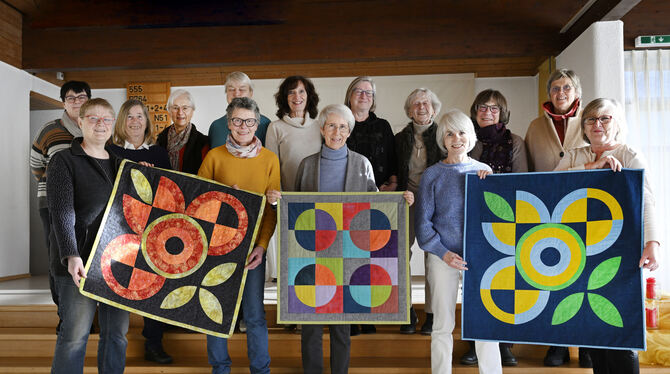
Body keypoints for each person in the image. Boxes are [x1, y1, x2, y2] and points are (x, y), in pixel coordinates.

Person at [267, 104, 413, 374]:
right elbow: (294, 208)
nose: (337, 131)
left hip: (349, 251)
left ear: (349, 131)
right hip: (311, 252)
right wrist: (278, 203)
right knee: (309, 322)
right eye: (331, 126)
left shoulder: (362, 164)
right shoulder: (307, 164)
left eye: (343, 126)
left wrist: (399, 202)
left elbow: (374, 209)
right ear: (322, 129)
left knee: (341, 325)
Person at [554, 98, 659, 374]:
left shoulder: (630, 154)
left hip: (621, 251)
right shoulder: (574, 155)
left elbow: (646, 199)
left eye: (605, 118)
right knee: (596, 325)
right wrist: (593, 167)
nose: (597, 124)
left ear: (617, 123)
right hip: (580, 252)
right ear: (584, 127)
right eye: (591, 119)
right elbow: (550, 185)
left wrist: (652, 243)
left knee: (621, 324)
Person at [415, 109, 501, 374]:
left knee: (486, 323)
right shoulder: (432, 175)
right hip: (444, 258)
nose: (456, 138)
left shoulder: (484, 171)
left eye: (462, 132)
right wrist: (443, 253)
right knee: (442, 324)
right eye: (450, 133)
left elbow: (499, 218)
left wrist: (491, 186)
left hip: (481, 259)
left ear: (471, 136)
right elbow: (422, 225)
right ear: (442, 138)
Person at [198, 97, 280, 374]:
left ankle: (261, 370)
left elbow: (272, 209)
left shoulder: (270, 159)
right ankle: (220, 369)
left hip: (253, 249)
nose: (243, 126)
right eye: (236, 120)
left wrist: (262, 245)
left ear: (257, 124)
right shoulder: (214, 156)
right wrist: (223, 199)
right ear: (228, 123)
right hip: (215, 248)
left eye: (249, 121)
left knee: (255, 315)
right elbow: (198, 205)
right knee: (215, 312)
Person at [48, 98, 128, 373]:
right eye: (93, 118)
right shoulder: (64, 160)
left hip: (116, 264)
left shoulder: (121, 165)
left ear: (113, 125)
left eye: (106, 119)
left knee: (116, 336)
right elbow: (61, 212)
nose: (100, 124)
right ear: (80, 122)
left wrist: (147, 181)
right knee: (74, 338)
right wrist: (71, 255)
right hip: (78, 265)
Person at [524, 69, 591, 367]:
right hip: (548, 210)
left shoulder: (591, 122)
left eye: (566, 87)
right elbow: (526, 170)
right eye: (555, 88)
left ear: (576, 92)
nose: (560, 93)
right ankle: (557, 344)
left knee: (586, 278)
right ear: (548, 93)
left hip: (586, 209)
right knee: (553, 275)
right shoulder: (535, 126)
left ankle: (587, 343)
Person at [460, 89, 528, 366]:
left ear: (502, 112)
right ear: (474, 111)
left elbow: (524, 180)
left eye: (494, 108)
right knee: (474, 285)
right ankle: (474, 344)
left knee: (505, 283)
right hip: (472, 219)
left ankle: (505, 345)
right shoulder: (466, 139)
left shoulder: (517, 142)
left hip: (508, 220)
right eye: (482, 107)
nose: (487, 112)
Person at [108, 99, 172, 364]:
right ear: (122, 121)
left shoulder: (158, 154)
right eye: (130, 117)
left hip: (150, 229)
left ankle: (153, 343)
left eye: (140, 117)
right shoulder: (109, 151)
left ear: (148, 122)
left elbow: (170, 193)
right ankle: (113, 347)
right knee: (116, 285)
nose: (135, 121)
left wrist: (152, 178)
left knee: (151, 286)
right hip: (116, 228)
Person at [30, 80, 91, 328]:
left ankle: (86, 313)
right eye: (71, 98)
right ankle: (64, 314)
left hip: (87, 205)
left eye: (81, 97)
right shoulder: (49, 130)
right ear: (63, 102)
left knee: (87, 256)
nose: (76, 101)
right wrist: (54, 185)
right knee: (59, 258)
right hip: (52, 204)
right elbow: (36, 165)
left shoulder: (96, 126)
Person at [344, 76, 397, 335]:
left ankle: (368, 313)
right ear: (350, 95)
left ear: (373, 99)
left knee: (372, 259)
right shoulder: (342, 121)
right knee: (349, 259)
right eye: (359, 91)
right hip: (346, 202)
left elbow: (393, 160)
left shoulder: (383, 126)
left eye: (369, 92)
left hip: (378, 201)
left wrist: (393, 183)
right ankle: (351, 316)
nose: (364, 96)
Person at [394, 88, 443, 334]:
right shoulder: (399, 138)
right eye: (416, 104)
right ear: (409, 110)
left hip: (436, 205)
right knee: (401, 256)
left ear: (434, 109)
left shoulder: (443, 135)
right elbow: (395, 171)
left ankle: (432, 314)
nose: (421, 107)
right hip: (407, 201)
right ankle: (406, 311)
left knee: (433, 258)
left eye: (426, 103)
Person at [265, 75, 322, 192]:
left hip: (317, 196)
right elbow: (272, 169)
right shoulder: (275, 127)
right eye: (291, 92)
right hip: (287, 198)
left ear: (309, 96)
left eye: (301, 91)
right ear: (285, 98)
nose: (297, 96)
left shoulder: (320, 126)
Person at [209, 71, 272, 148]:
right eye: (231, 89)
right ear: (226, 93)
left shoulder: (266, 124)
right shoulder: (215, 126)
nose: (236, 94)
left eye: (242, 89)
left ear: (251, 93)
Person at [157, 89, 209, 174]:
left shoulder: (203, 143)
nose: (180, 112)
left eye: (185, 108)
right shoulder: (161, 139)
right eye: (175, 108)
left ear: (192, 111)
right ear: (169, 111)